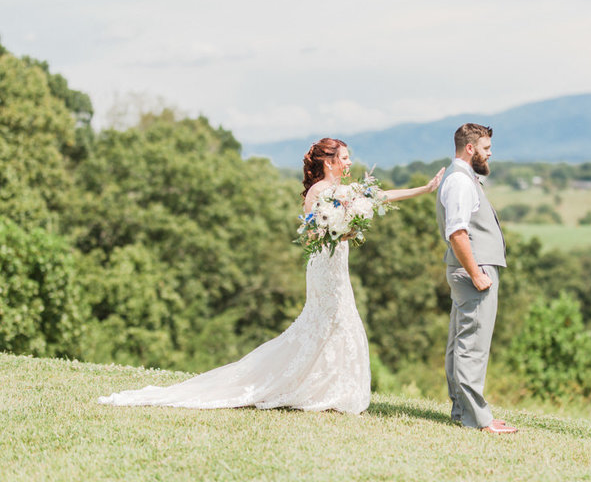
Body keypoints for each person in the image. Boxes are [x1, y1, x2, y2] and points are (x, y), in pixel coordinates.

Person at [99, 137, 444, 414]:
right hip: (324, 267)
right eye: (345, 157)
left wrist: (424, 190)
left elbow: (378, 196)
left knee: (340, 322)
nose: (349, 162)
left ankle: (331, 389)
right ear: (329, 161)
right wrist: (343, 230)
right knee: (326, 322)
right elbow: (316, 233)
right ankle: (302, 386)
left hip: (338, 266)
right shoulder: (319, 192)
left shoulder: (345, 191)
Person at [435, 123, 516, 434]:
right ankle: (478, 418)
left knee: (461, 342)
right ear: (470, 148)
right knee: (473, 344)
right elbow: (457, 232)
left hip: (472, 268)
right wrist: (476, 274)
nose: (490, 153)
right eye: (485, 148)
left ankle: (463, 411)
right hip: (473, 270)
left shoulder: (462, 179)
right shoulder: (460, 182)